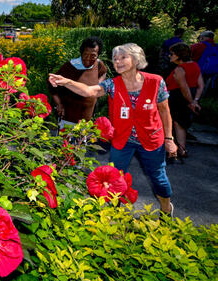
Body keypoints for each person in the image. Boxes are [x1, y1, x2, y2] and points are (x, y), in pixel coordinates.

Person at [49, 43, 177, 216]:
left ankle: (166, 209)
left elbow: (164, 110)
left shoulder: (155, 82)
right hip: (122, 140)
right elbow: (88, 90)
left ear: (136, 58)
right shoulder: (112, 84)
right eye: (115, 59)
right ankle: (116, 212)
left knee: (158, 178)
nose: (118, 61)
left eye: (123, 57)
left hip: (151, 139)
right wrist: (66, 82)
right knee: (115, 178)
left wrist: (169, 139)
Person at [48, 36, 107, 128]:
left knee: (83, 141)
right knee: (66, 142)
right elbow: (51, 86)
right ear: (81, 53)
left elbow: (103, 73)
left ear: (98, 55)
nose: (88, 59)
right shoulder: (70, 67)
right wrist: (59, 104)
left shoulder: (98, 64)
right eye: (85, 54)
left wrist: (97, 87)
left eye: (93, 56)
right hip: (68, 119)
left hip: (87, 120)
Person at [166, 42, 204, 159]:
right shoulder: (195, 65)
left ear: (178, 55)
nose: (169, 56)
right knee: (180, 123)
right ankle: (182, 149)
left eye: (171, 54)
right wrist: (195, 100)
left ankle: (171, 149)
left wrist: (191, 102)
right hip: (189, 96)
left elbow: (184, 87)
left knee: (170, 122)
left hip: (178, 97)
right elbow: (200, 85)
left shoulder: (179, 69)